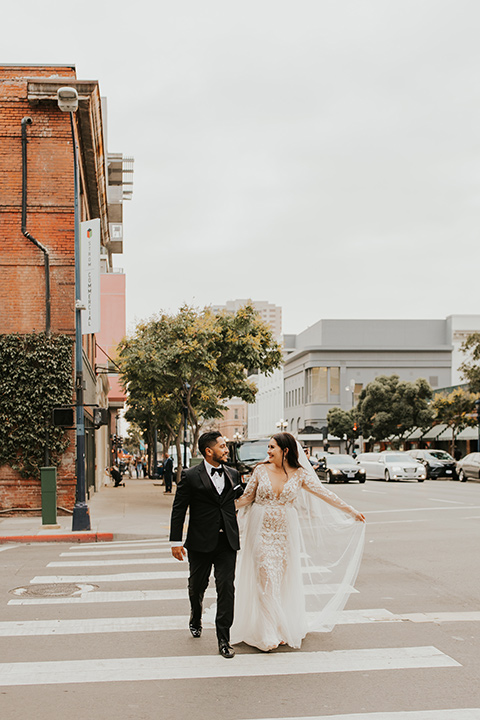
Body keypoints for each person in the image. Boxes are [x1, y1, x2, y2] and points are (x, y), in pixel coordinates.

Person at [231, 432, 366, 652]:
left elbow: (324, 493)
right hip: (261, 530)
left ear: (285, 451)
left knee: (280, 581)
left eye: (272, 447)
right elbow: (246, 498)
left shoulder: (300, 474)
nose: (268, 451)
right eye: (268, 447)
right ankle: (268, 632)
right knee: (265, 579)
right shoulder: (260, 470)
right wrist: (221, 509)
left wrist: (351, 511)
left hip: (285, 533)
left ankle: (280, 627)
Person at [169, 431, 243, 659]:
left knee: (226, 589)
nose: (226, 449)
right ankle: (196, 614)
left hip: (227, 542)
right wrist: (175, 541)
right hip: (200, 542)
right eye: (222, 446)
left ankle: (224, 639)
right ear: (209, 451)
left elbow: (238, 503)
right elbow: (179, 509)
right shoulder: (190, 476)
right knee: (197, 586)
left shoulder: (233, 474)